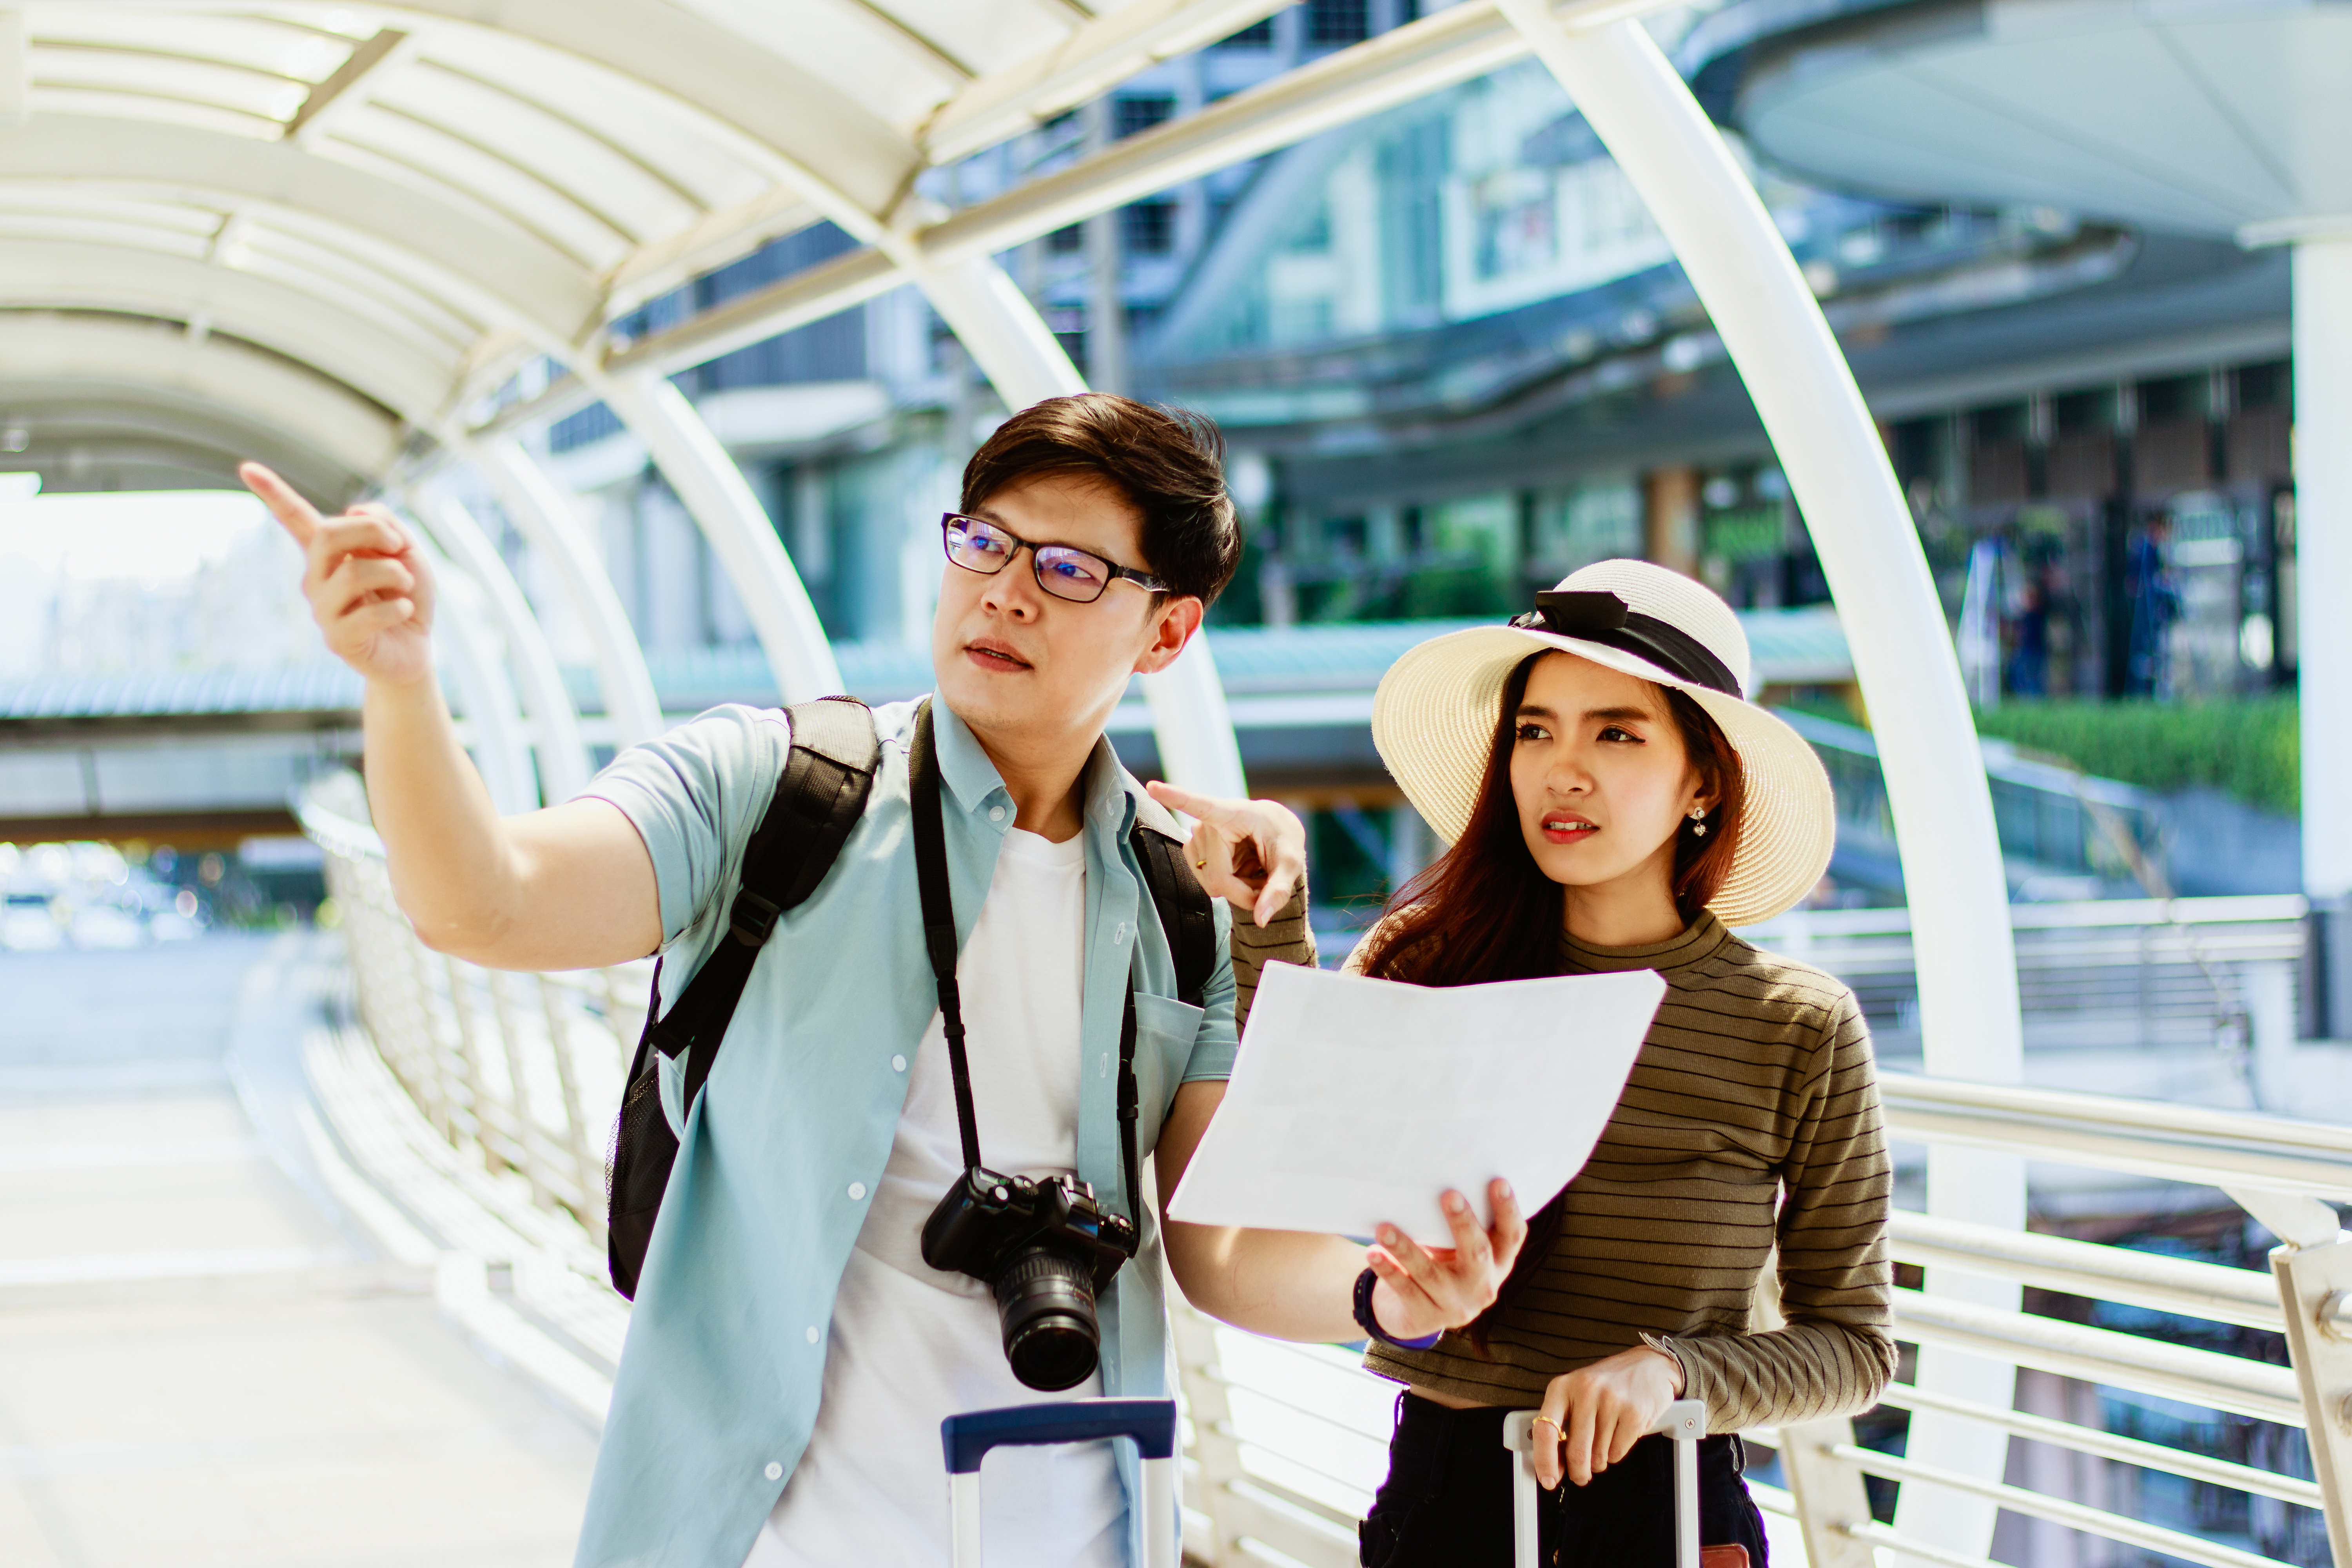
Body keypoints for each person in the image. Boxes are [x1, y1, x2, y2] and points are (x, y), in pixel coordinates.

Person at [243, 392, 1528, 1568]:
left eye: (1070, 569)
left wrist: (1390, 1296)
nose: (1006, 594)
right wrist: (403, 687)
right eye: (985, 544)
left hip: (1083, 1538)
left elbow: (1225, 1253)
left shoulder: (1182, 898)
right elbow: (485, 902)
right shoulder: (775, 789)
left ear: (1169, 629)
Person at [1345, 559, 1895, 1567]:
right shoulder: (1425, 971)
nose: (1564, 770)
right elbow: (1300, 1204)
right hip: (1445, 1508)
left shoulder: (1799, 1024)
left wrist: (1671, 1372)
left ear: (1704, 781)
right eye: (1535, 730)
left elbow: (1856, 1347)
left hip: (1672, 1514)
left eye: (1617, 733)